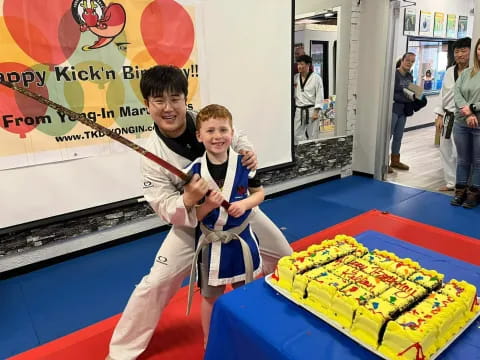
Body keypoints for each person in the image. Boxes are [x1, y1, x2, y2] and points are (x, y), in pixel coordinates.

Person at [106, 66, 293, 360]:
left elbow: (237, 135)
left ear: (185, 99)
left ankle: (280, 319)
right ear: (147, 105)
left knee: (284, 255)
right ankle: (121, 352)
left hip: (237, 212)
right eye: (159, 101)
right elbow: (165, 207)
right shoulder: (153, 154)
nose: (168, 108)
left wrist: (248, 152)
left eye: (175, 99)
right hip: (194, 225)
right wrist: (189, 200)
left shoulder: (206, 120)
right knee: (156, 282)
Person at [184, 104, 264, 347]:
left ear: (232, 132)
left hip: (241, 240)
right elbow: (194, 216)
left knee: (244, 291)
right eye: (210, 131)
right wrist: (208, 204)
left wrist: (246, 204)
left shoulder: (245, 164)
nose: (217, 136)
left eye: (223, 130)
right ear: (199, 136)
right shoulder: (194, 172)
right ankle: (210, 338)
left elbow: (259, 194)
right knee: (210, 296)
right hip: (212, 244)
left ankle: (246, 330)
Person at [434, 37, 471, 192]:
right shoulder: (450, 71)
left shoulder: (474, 71)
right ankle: (451, 182)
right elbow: (442, 94)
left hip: (466, 117)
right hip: (448, 115)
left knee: (463, 152)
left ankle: (467, 184)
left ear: (470, 51)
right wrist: (439, 115)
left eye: (463, 50)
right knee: (446, 149)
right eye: (456, 51)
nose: (460, 54)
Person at [451, 38, 480, 208]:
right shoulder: (467, 73)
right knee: (462, 160)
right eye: (479, 48)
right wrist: (467, 111)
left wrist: (473, 108)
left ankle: (473, 195)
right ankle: (460, 192)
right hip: (461, 122)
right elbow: (457, 93)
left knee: (478, 161)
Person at [390, 52, 416, 173]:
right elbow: (393, 94)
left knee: (398, 137)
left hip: (404, 111)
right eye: (408, 60)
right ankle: (383, 162)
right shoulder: (394, 74)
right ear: (402, 60)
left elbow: (411, 91)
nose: (409, 63)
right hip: (393, 109)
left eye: (412, 61)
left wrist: (416, 95)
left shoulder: (410, 76)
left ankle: (395, 161)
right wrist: (407, 97)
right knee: (388, 136)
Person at [293, 54, 324, 144]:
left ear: (308, 65)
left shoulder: (316, 78)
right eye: (298, 64)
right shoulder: (296, 77)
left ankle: (313, 154)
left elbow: (319, 95)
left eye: (302, 64)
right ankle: (304, 151)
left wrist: (316, 111)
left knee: (313, 135)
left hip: (312, 109)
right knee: (297, 133)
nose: (299, 66)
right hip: (299, 109)